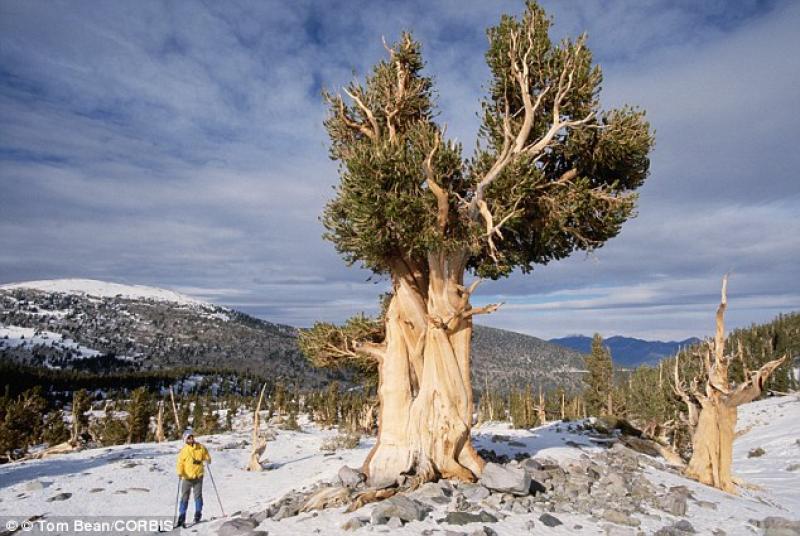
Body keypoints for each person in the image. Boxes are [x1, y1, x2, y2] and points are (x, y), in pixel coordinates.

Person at [175, 429, 211, 527]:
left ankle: (198, 513)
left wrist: (207, 459)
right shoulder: (184, 450)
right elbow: (180, 463)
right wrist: (179, 472)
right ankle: (182, 516)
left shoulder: (201, 447)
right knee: (184, 497)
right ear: (185, 439)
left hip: (198, 476)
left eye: (192, 437)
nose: (191, 439)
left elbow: (207, 456)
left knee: (198, 496)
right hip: (187, 477)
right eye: (189, 437)